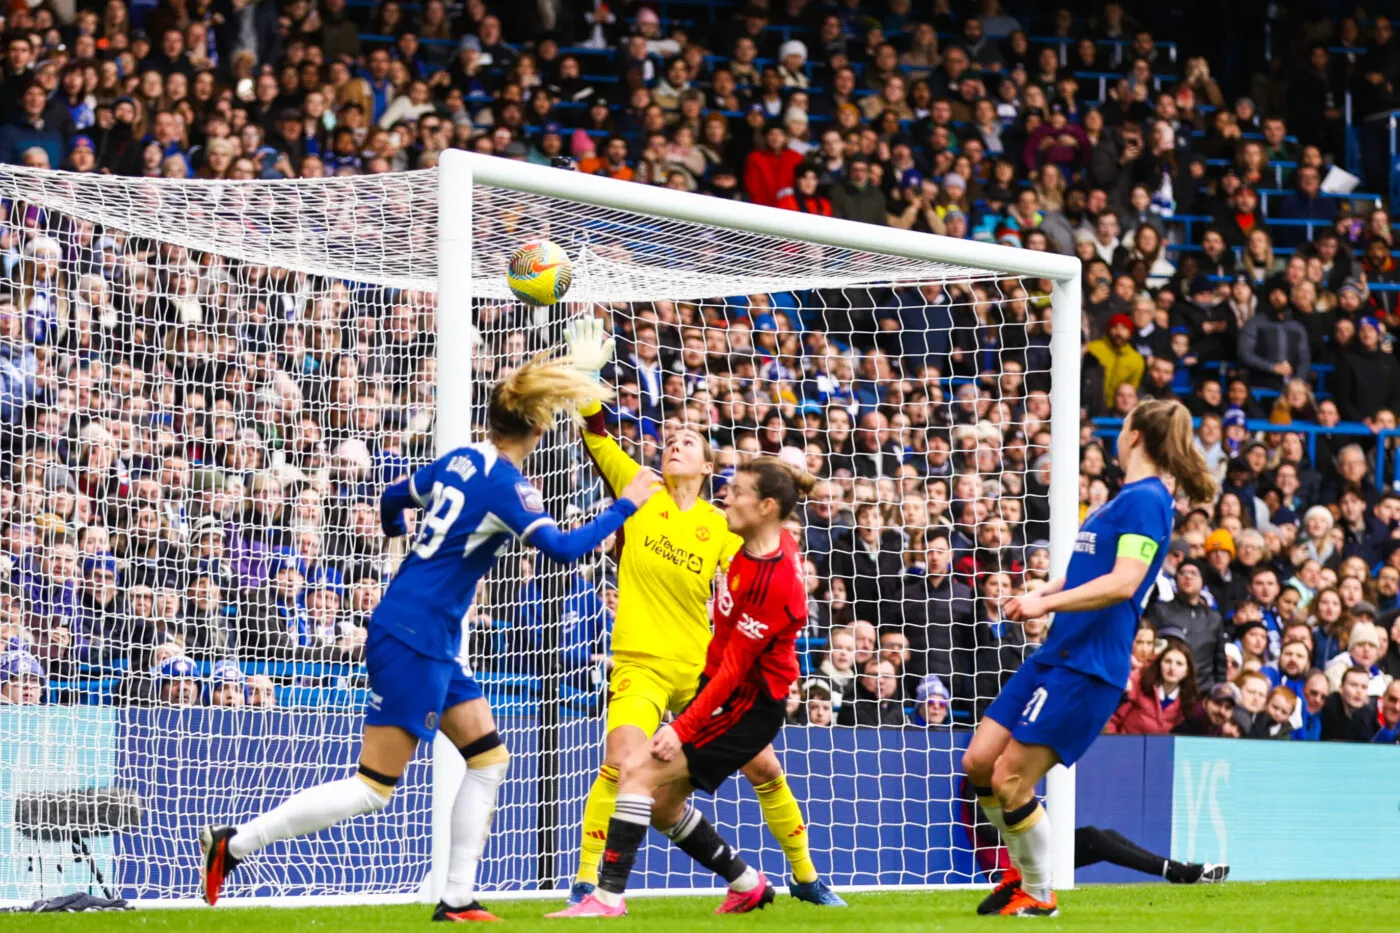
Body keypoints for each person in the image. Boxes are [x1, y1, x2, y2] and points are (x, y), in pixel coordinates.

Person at [198, 349, 660, 919]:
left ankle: (458, 896)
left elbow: (393, 498)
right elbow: (564, 550)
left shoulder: (463, 459)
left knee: (489, 759)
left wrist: (404, 550)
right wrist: (626, 504)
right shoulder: (510, 489)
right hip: (414, 636)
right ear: (539, 427)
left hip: (427, 630)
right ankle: (234, 845)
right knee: (373, 787)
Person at [560, 321, 842, 908]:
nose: (674, 441)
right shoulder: (639, 487)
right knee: (621, 760)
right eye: (669, 435)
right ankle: (588, 882)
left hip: (702, 671)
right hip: (639, 661)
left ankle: (808, 877)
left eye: (688, 439)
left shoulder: (721, 526)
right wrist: (585, 380)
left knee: (764, 766)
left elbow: (766, 565)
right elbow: (594, 434)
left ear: (709, 464)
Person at [962, 398, 1215, 917]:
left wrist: (1044, 603)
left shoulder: (1147, 500)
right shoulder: (1123, 499)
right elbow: (1090, 570)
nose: (1117, 435)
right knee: (980, 763)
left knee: (1012, 778)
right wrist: (1045, 588)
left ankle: (1039, 891)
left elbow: (1123, 584)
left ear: (1136, 437)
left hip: (1090, 663)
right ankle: (1019, 877)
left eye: (1122, 427)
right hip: (1058, 652)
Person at [549, 458, 815, 918]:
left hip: (745, 705)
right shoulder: (753, 547)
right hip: (721, 690)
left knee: (637, 771)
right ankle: (747, 884)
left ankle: (606, 897)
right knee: (662, 804)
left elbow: (733, 671)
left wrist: (682, 727)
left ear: (766, 506)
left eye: (736, 490)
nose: (725, 496)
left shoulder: (773, 580)